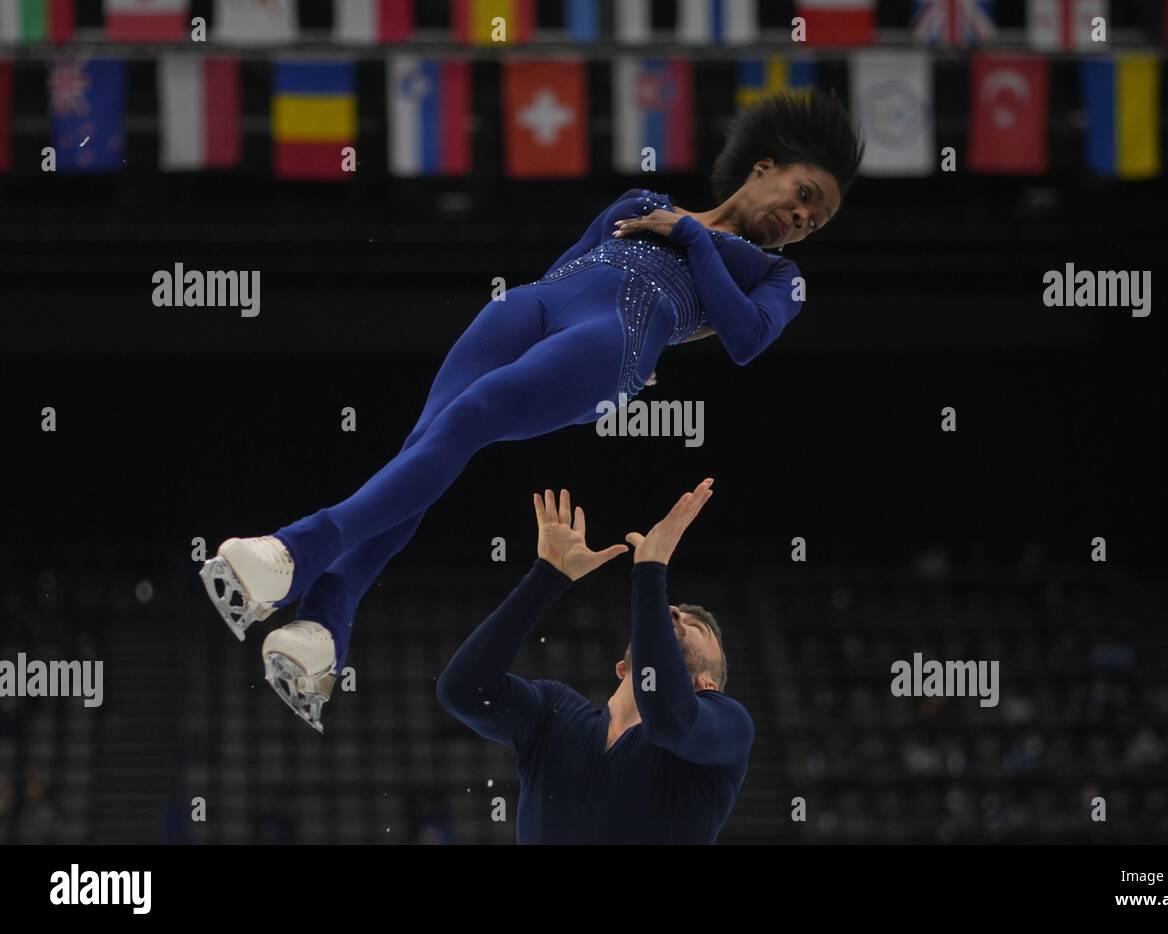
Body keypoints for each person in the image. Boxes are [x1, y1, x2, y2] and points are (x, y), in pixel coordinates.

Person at [200, 89, 863, 730]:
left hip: (615, 341)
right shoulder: (641, 201)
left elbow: (746, 339)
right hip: (538, 306)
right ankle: (325, 626)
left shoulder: (779, 277)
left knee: (470, 417)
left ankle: (295, 549)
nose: (803, 219)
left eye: (819, 220)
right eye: (805, 195)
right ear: (765, 166)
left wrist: (689, 235)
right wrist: (675, 226)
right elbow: (566, 270)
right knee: (427, 441)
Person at [438, 480, 751, 843]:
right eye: (675, 612)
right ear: (622, 667)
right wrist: (547, 577)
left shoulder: (728, 726)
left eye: (697, 627)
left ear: (707, 685)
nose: (676, 614)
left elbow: (669, 720)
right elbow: (462, 691)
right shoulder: (554, 714)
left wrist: (650, 571)